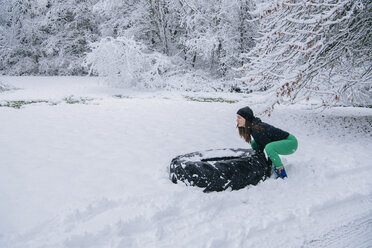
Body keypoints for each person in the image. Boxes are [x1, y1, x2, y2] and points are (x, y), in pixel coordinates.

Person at [236, 106, 298, 178]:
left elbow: (268, 149)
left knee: (269, 147)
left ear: (246, 119)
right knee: (254, 143)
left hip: (291, 143)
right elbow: (260, 146)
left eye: (239, 117)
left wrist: (268, 169)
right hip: (286, 142)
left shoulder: (256, 130)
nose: (237, 120)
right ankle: (260, 162)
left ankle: (281, 172)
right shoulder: (254, 128)